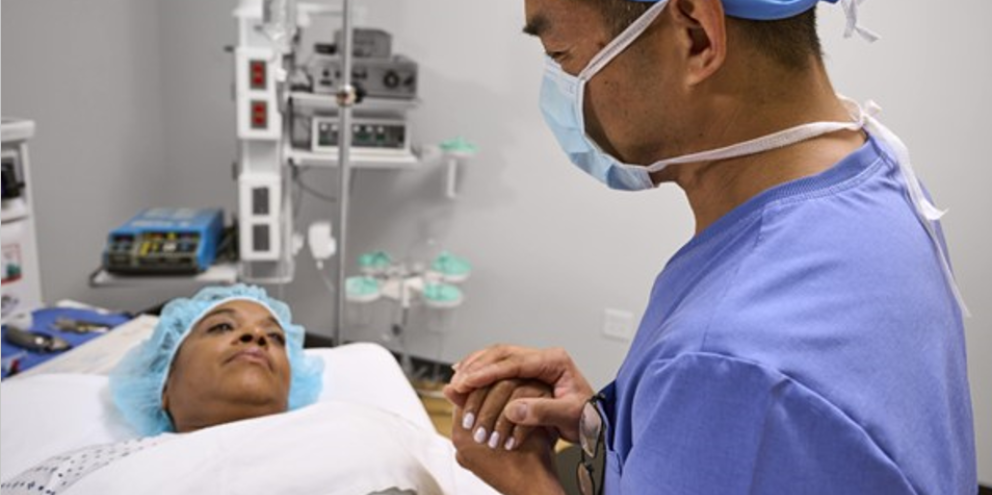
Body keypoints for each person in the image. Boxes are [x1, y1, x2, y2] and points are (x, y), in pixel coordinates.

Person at [444, 0, 976, 493]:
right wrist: (622, 425)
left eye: (562, 54)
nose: (561, 86)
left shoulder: (730, 366)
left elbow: (746, 394)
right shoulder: (875, 170)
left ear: (696, 34)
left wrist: (529, 480)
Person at [0, 284, 324, 493]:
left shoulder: (340, 438)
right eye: (223, 326)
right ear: (163, 385)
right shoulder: (100, 466)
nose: (257, 336)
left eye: (275, 337)